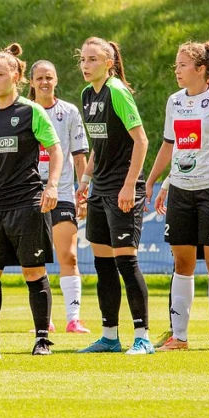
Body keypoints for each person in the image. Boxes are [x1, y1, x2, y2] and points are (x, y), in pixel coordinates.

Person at [144, 41, 209, 352]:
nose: (176, 70)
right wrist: (152, 181)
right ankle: (179, 337)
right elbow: (169, 144)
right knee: (182, 263)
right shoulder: (174, 101)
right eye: (176, 65)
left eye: (182, 65)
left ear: (201, 69)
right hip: (181, 191)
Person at [0, 45, 63, 357]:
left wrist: (51, 186)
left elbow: (55, 150)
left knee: (33, 271)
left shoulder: (31, 111)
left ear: (16, 76)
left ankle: (42, 339)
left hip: (28, 204)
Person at [74, 37, 152, 355]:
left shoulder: (116, 91)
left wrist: (130, 185)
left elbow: (141, 141)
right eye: (82, 59)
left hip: (122, 188)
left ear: (108, 63)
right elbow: (99, 143)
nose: (85, 65)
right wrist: (85, 180)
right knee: (103, 265)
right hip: (100, 188)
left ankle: (143, 337)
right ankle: (109, 337)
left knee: (126, 263)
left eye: (92, 59)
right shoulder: (86, 94)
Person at [29, 59, 90, 334]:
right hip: (30, 194)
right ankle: (45, 320)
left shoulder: (69, 112)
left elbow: (79, 155)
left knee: (69, 255)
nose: (44, 82)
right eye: (39, 78)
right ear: (31, 82)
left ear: (56, 80)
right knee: (35, 259)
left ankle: (73, 319)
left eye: (49, 77)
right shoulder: (23, 110)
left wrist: (82, 193)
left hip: (63, 191)